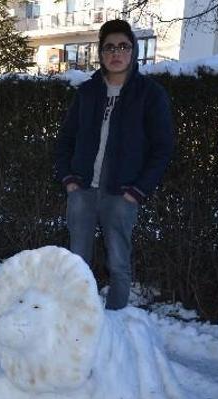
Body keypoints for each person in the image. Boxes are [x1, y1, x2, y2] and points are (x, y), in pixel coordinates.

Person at [55, 19, 174, 310]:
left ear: (132, 51)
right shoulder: (87, 92)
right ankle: (77, 319)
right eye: (109, 47)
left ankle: (118, 325)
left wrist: (137, 190)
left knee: (118, 263)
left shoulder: (149, 94)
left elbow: (162, 148)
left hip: (122, 193)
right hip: (82, 190)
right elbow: (65, 139)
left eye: (123, 46)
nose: (116, 53)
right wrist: (69, 179)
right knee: (77, 262)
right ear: (101, 53)